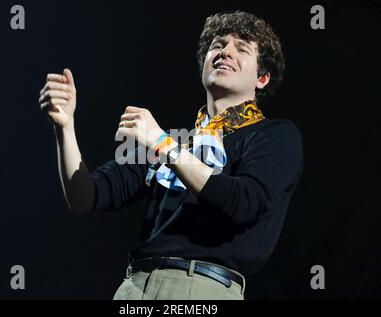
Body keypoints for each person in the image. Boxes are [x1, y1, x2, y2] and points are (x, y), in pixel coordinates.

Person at [38, 10, 303, 300]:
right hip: (135, 287)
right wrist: (65, 127)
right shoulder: (177, 142)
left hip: (203, 290)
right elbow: (84, 196)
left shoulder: (274, 135)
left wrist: (163, 145)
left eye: (241, 49)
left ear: (262, 78)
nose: (225, 52)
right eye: (217, 45)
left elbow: (242, 202)